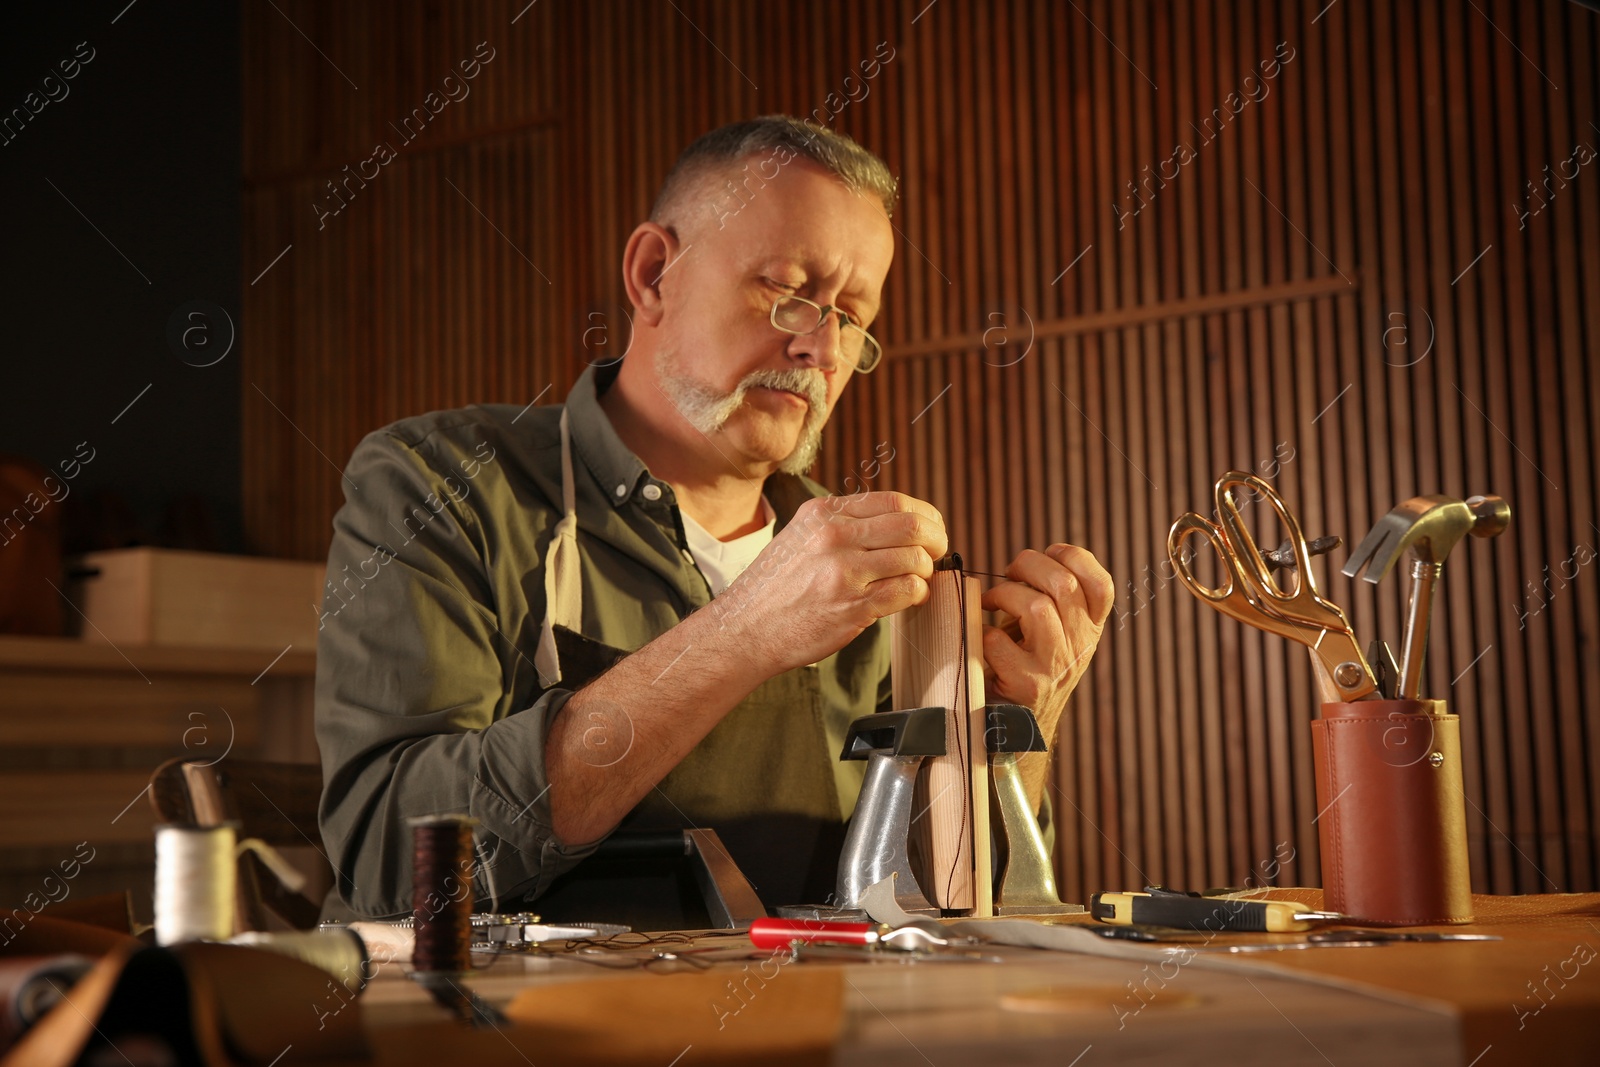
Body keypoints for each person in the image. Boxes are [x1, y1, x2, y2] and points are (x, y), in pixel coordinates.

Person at [315, 115, 1113, 920]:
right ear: (655, 272)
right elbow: (394, 854)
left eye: (854, 318)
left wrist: (1013, 732)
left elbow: (938, 905)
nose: (824, 350)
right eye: (789, 293)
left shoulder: (866, 569)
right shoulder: (440, 483)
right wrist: (743, 631)